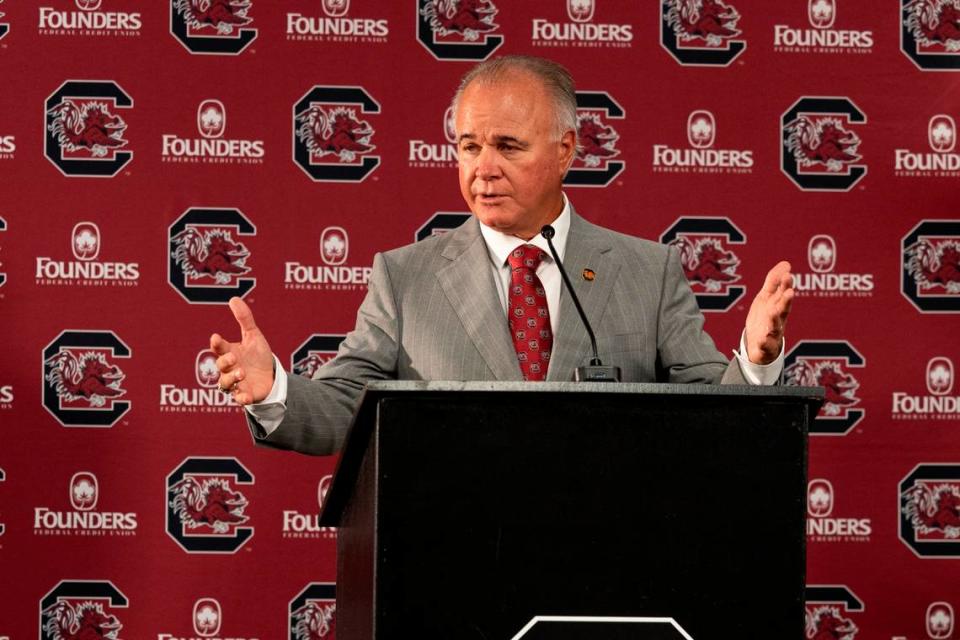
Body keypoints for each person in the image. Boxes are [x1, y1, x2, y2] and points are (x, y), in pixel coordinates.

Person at [210, 55, 793, 456]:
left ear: (566, 150)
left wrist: (756, 359)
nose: (483, 168)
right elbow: (345, 407)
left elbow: (718, 417)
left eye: (507, 146)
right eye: (469, 147)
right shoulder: (406, 277)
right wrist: (275, 390)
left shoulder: (648, 272)